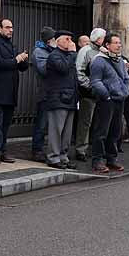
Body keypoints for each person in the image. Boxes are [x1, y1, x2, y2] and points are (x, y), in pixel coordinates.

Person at [0, 18, 29, 162]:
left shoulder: (12, 46)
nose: (11, 30)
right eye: (7, 27)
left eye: (12, 27)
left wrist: (23, 60)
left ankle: (3, 150)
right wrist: (16, 60)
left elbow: (22, 67)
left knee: (6, 124)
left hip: (11, 92)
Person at [88, 33, 129, 173]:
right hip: (106, 101)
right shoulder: (99, 61)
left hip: (119, 99)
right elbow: (95, 81)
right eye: (116, 43)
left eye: (120, 43)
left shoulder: (120, 60)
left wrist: (125, 91)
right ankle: (97, 160)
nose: (119, 45)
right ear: (107, 45)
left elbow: (125, 78)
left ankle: (112, 159)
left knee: (115, 131)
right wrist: (106, 95)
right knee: (101, 131)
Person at [42, 31, 78, 169]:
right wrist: (73, 53)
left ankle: (63, 156)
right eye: (67, 39)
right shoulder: (54, 56)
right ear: (58, 41)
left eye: (71, 39)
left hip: (70, 97)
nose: (70, 42)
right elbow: (63, 68)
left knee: (67, 132)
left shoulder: (68, 56)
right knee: (56, 130)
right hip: (58, 98)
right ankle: (53, 157)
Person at [74, 28, 106, 161]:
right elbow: (79, 71)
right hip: (88, 93)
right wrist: (90, 86)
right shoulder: (85, 51)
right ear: (98, 39)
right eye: (103, 37)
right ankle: (81, 149)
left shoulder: (102, 51)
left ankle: (96, 149)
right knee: (85, 122)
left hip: (100, 92)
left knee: (99, 122)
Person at [29, 27, 57, 161]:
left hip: (56, 92)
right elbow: (44, 69)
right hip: (45, 92)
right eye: (53, 39)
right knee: (41, 123)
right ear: (48, 40)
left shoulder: (53, 51)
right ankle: (37, 150)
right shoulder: (39, 52)